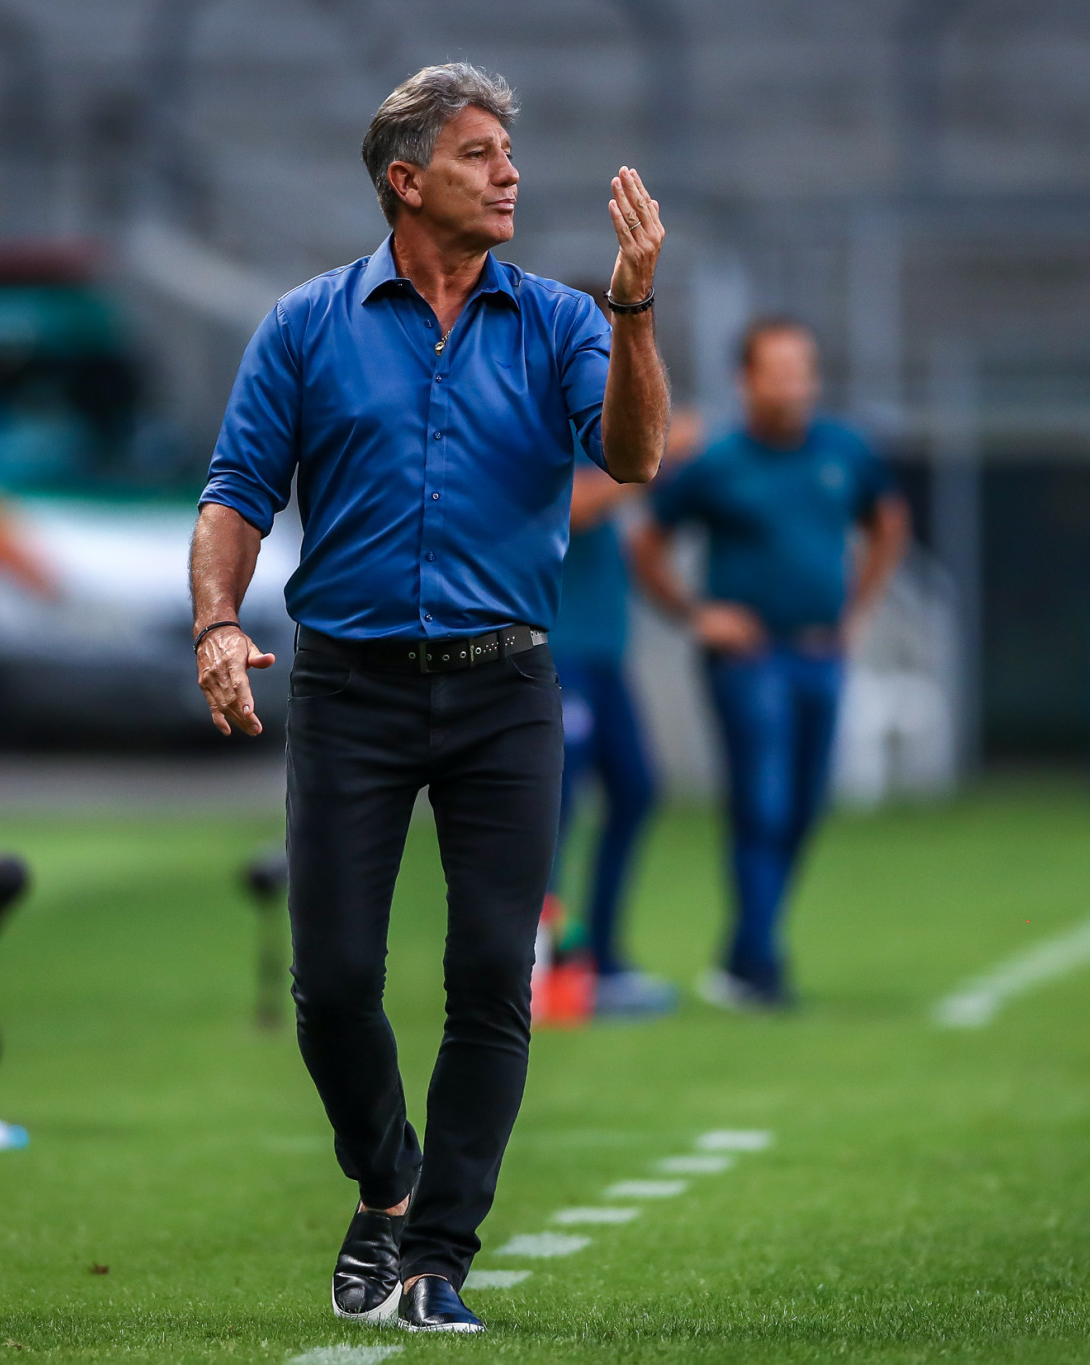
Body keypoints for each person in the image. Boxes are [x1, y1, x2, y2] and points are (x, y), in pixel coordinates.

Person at [189, 65, 669, 1334]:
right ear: (406, 182)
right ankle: (387, 1183)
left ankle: (436, 1257)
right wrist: (217, 623)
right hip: (346, 688)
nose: (508, 171)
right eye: (476, 154)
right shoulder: (305, 324)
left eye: (507, 152)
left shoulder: (565, 318)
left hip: (505, 688)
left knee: (488, 976)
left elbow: (630, 455)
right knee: (334, 983)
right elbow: (236, 489)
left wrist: (633, 313)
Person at [631, 319, 908, 1010]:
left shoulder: (844, 451)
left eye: (802, 368)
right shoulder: (718, 462)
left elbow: (888, 519)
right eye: (777, 369)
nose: (793, 383)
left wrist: (859, 608)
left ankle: (742, 951)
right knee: (763, 800)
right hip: (748, 660)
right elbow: (647, 542)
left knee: (804, 807)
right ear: (745, 380)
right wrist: (698, 615)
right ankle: (759, 966)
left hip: (821, 653)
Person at [546, 411, 703, 1019]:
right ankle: (545, 971)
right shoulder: (540, 423)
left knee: (636, 790)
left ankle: (602, 959)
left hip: (603, 655)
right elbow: (576, 508)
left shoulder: (594, 426)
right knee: (553, 816)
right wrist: (653, 455)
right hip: (554, 652)